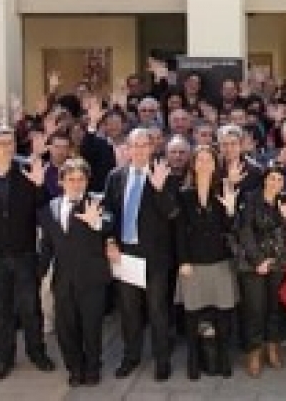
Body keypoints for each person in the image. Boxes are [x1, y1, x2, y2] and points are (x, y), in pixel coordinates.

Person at [0, 126, 56, 381]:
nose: (8, 147)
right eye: (1, 143)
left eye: (11, 142)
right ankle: (4, 358)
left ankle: (37, 352)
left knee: (30, 308)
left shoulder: (27, 170)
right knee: (2, 311)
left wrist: (40, 187)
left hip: (25, 253)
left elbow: (45, 210)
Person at [103, 127, 180, 381]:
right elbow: (107, 214)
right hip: (125, 254)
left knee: (157, 310)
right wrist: (110, 241)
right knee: (129, 310)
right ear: (127, 148)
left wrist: (158, 190)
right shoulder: (116, 176)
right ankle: (131, 356)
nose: (138, 150)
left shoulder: (163, 174)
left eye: (143, 145)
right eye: (133, 145)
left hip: (154, 256)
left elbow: (172, 213)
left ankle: (162, 359)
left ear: (151, 148)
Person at [37, 159, 109, 387]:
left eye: (81, 179)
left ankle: (93, 367)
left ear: (88, 181)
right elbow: (47, 245)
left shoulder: (97, 203)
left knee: (91, 326)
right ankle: (74, 367)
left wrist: (96, 222)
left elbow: (108, 223)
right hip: (63, 279)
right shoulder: (50, 208)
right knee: (66, 327)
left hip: (92, 279)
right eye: (71, 179)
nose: (76, 184)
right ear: (61, 182)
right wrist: (39, 272)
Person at [174, 145, 239, 379]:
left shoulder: (223, 191)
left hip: (219, 260)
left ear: (215, 165)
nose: (203, 164)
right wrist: (183, 260)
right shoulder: (184, 194)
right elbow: (179, 231)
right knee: (193, 314)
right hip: (193, 263)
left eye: (208, 160)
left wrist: (231, 211)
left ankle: (223, 359)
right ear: (193, 164)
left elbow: (231, 229)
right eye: (199, 160)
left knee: (223, 313)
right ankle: (193, 360)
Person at [235, 164, 286, 377]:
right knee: (255, 308)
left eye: (279, 180)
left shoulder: (285, 201)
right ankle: (254, 350)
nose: (275, 183)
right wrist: (257, 260)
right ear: (264, 179)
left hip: (278, 262)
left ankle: (272, 346)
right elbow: (245, 232)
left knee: (274, 307)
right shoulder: (251, 199)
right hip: (254, 263)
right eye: (272, 178)